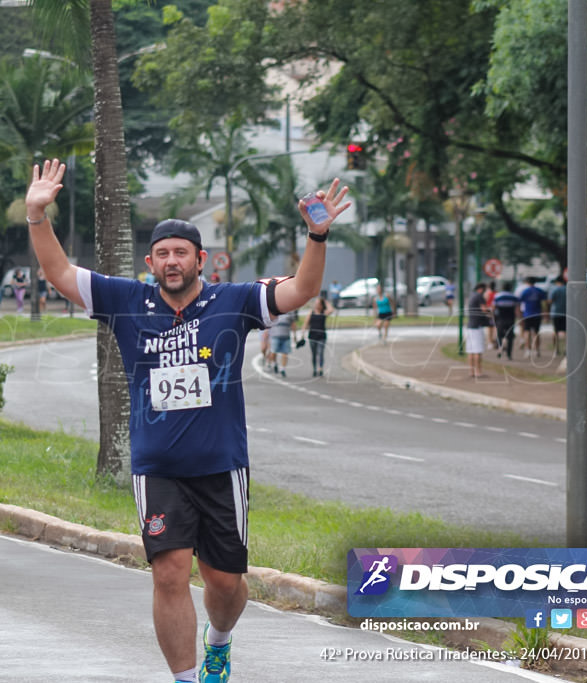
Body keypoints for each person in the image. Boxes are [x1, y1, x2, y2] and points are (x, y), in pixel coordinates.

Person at [24, 158, 349, 683]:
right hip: (158, 468)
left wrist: (317, 234)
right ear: (149, 263)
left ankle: (218, 641)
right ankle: (183, 677)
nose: (171, 262)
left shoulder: (234, 301)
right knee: (170, 573)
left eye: (181, 253)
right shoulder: (127, 300)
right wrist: (38, 216)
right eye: (161, 255)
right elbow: (60, 273)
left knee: (224, 584)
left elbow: (300, 291)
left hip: (221, 467)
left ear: (202, 260)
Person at [303, 295, 335, 377]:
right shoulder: (311, 312)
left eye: (318, 303)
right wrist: (303, 334)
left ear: (321, 305)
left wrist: (326, 302)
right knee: (314, 353)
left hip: (321, 336)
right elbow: (306, 323)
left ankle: (320, 368)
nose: (316, 305)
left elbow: (331, 310)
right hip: (312, 336)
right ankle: (314, 368)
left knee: (320, 353)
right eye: (315, 303)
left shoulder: (324, 313)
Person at [465, 282, 490, 377]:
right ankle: (478, 372)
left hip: (470, 325)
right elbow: (484, 309)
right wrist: (489, 311)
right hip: (477, 326)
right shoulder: (479, 296)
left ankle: (471, 371)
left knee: (470, 350)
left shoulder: (472, 296)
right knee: (478, 350)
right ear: (481, 289)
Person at [518, 276, 547, 358]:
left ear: (527, 282)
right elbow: (544, 302)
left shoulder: (525, 291)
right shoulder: (539, 291)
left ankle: (528, 350)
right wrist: (545, 313)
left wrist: (520, 314)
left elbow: (520, 303)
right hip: (537, 314)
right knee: (536, 332)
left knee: (527, 332)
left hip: (527, 314)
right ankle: (537, 350)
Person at [492, 282, 521, 360]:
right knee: (510, 337)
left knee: (499, 335)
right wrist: (519, 318)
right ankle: (509, 354)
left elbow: (494, 308)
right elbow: (517, 309)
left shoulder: (498, 296)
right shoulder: (514, 297)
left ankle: (500, 349)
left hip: (500, 319)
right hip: (511, 319)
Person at [269, 309, 298, 377]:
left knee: (285, 353)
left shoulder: (291, 311)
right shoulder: (275, 308)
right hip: (275, 335)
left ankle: (283, 369)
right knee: (273, 352)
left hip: (286, 336)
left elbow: (293, 324)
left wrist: (294, 336)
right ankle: (275, 363)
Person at [548, 276, 567, 355]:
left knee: (555, 331)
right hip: (566, 312)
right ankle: (567, 348)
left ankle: (556, 349)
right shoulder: (568, 289)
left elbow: (550, 301)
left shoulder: (554, 289)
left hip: (556, 313)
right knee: (567, 332)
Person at [484, 280, 498, 347]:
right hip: (495, 312)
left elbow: (485, 302)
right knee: (495, 327)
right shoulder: (497, 293)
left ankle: (490, 342)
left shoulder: (487, 293)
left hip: (489, 312)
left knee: (489, 328)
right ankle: (493, 340)